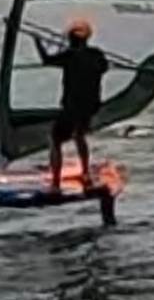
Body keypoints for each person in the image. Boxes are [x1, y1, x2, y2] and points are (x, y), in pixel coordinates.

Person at [36, 17, 111, 190]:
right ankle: (85, 173)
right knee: (79, 135)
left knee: (55, 139)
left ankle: (55, 183)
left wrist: (38, 42)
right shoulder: (96, 54)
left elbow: (46, 60)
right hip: (91, 106)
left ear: (71, 40)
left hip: (72, 106)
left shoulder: (70, 56)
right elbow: (104, 67)